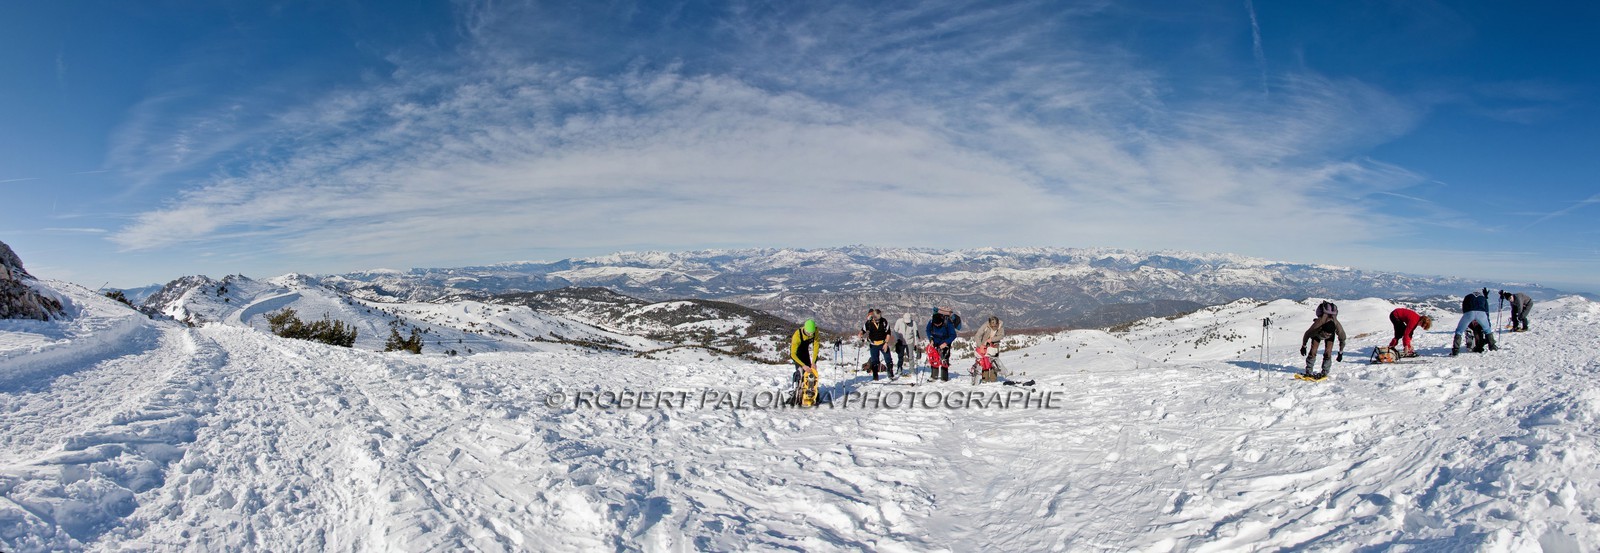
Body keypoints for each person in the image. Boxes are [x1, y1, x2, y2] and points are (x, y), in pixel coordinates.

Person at [1299, 301, 1346, 378]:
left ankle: (1324, 372)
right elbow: (1307, 334)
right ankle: (1309, 371)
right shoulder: (1319, 323)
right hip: (1317, 333)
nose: (1327, 335)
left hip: (1329, 334)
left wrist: (1340, 352)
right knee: (1313, 351)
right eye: (1326, 334)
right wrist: (1303, 346)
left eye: (1328, 334)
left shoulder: (1336, 325)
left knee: (1328, 352)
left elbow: (1342, 339)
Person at [1453, 289, 1498, 356]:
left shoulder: (1468, 296)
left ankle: (1455, 351)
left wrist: (1468, 318)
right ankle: (1492, 346)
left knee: (1459, 331)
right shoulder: (1483, 298)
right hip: (1481, 314)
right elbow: (1487, 311)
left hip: (1469, 313)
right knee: (1487, 330)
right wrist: (1488, 323)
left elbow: (1464, 307)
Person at [789, 319, 822, 405]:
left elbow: (816, 346)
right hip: (797, 354)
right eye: (808, 334)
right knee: (801, 373)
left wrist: (814, 362)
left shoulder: (815, 331)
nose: (810, 335)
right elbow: (792, 354)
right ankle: (798, 393)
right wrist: (803, 366)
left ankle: (810, 395)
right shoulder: (797, 335)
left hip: (805, 352)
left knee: (810, 374)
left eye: (812, 333)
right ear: (805, 330)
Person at [925, 307, 962, 381]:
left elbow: (953, 335)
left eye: (939, 324)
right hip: (935, 341)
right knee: (934, 358)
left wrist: (946, 343)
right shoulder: (931, 322)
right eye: (936, 325)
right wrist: (931, 339)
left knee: (944, 359)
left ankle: (944, 378)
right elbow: (928, 330)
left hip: (945, 341)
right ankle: (934, 376)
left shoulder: (947, 323)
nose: (938, 326)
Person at [859, 309, 893, 380]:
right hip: (873, 344)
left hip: (883, 343)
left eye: (879, 319)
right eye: (876, 319)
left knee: (888, 358)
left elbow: (888, 333)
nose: (878, 320)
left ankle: (890, 373)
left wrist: (886, 343)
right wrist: (861, 335)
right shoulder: (868, 323)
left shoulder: (884, 321)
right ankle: (875, 376)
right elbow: (862, 331)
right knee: (874, 361)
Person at [972, 316, 1005, 380]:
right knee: (984, 362)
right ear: (989, 324)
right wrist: (980, 345)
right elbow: (977, 335)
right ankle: (985, 379)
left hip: (994, 345)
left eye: (996, 326)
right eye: (992, 326)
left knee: (994, 362)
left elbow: (1001, 336)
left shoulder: (1000, 326)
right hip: (984, 345)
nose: (994, 328)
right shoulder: (985, 326)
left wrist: (992, 339)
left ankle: (993, 379)